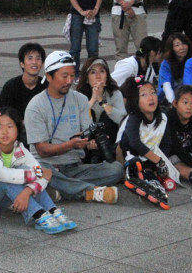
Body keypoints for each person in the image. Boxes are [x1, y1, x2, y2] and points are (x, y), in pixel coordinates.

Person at [24, 50, 122, 204]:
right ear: (49, 76)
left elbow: (87, 133)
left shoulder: (80, 99)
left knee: (116, 169)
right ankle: (89, 192)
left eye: (72, 75)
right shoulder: (35, 106)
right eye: (64, 76)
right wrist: (71, 144)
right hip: (46, 165)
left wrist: (92, 140)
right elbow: (41, 150)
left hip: (74, 167)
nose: (69, 81)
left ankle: (58, 190)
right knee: (37, 171)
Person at [0, 108, 73, 232]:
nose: (4, 132)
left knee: (24, 170)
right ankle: (38, 215)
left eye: (10, 126)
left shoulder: (19, 146)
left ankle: (52, 210)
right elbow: (5, 175)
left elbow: (39, 170)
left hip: (5, 200)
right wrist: (37, 173)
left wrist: (28, 191)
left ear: (18, 128)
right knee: (9, 177)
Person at [116, 78, 174, 209]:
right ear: (136, 101)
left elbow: (166, 143)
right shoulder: (134, 117)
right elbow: (134, 142)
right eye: (144, 94)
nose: (150, 97)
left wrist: (161, 163)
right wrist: (157, 159)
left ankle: (151, 186)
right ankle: (134, 179)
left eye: (153, 92)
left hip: (150, 158)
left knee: (149, 172)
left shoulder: (163, 118)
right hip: (130, 154)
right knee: (136, 164)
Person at [0, 42, 47, 119]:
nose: (34, 62)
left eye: (38, 58)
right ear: (22, 64)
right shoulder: (11, 86)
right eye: (30, 58)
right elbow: (2, 114)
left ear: (42, 63)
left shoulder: (47, 86)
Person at [158, 32, 192, 106]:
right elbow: (166, 86)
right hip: (168, 100)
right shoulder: (166, 64)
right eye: (177, 45)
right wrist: (174, 103)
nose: (182, 47)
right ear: (171, 48)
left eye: (184, 44)